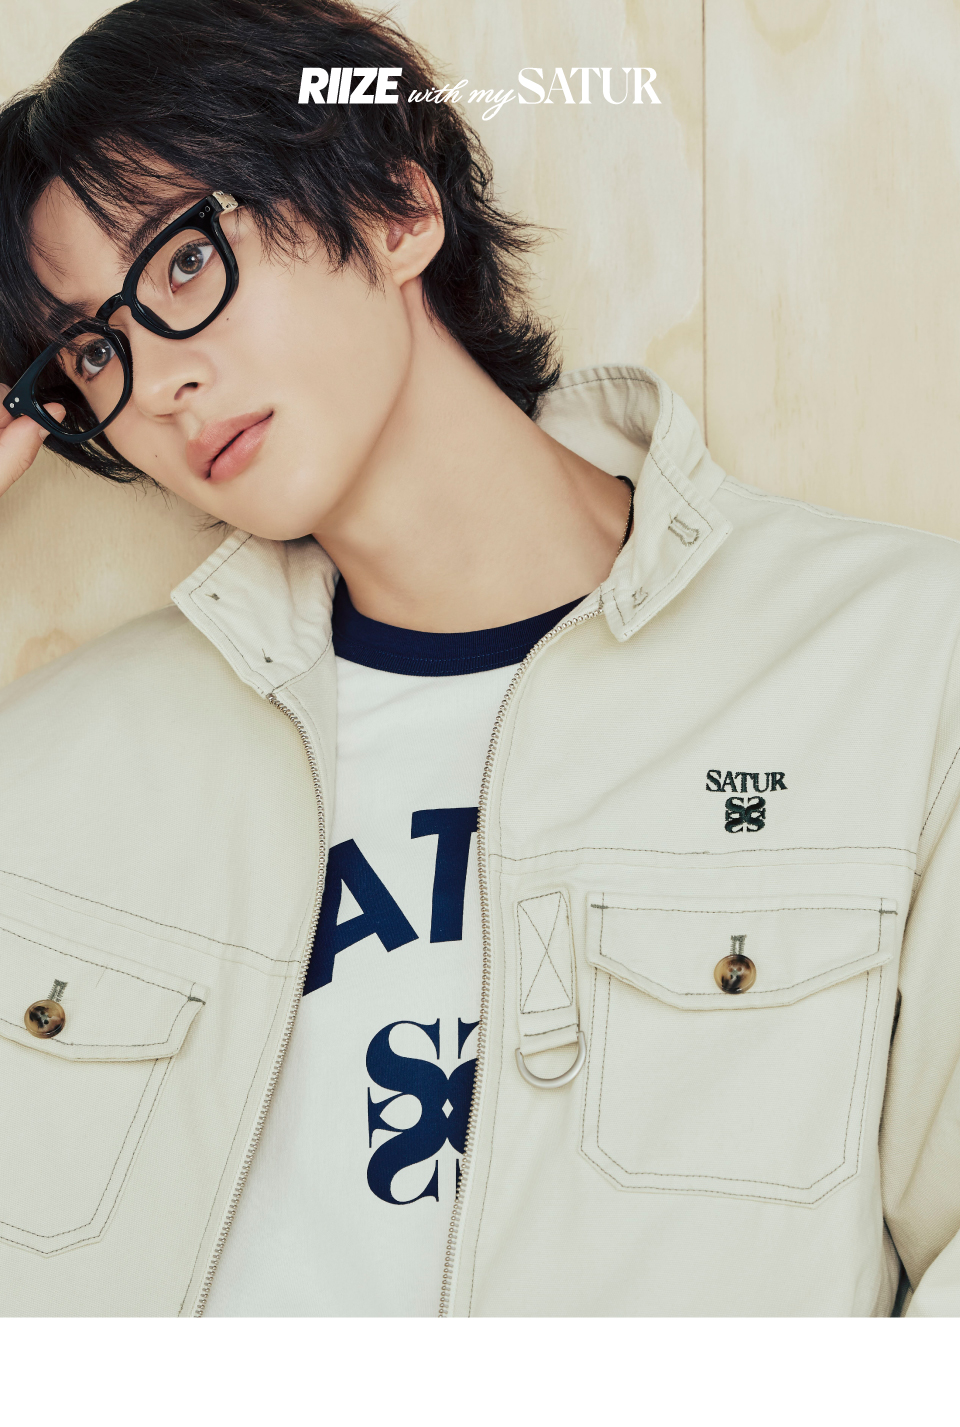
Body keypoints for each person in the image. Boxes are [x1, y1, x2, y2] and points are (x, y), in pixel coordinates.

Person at [0, 0, 958, 1320]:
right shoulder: (51, 771)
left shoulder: (897, 665)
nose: (155, 383)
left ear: (396, 208)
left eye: (182, 264)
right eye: (93, 351)